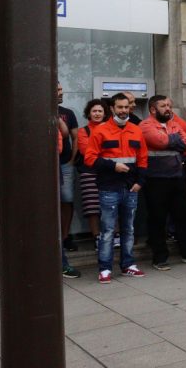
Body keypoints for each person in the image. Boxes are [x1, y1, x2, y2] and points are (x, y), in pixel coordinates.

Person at [85, 93, 148, 283]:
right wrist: (113, 166)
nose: (123, 110)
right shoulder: (100, 130)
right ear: (112, 108)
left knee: (129, 229)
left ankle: (128, 265)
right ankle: (104, 268)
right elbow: (89, 158)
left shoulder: (136, 130)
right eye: (119, 107)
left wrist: (140, 182)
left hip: (131, 188)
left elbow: (143, 159)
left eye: (126, 107)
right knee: (108, 230)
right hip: (109, 187)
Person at [140, 95, 186, 270]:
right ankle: (159, 258)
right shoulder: (145, 125)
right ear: (153, 109)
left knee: (183, 217)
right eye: (163, 106)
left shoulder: (174, 124)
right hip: (156, 179)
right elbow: (160, 141)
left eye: (169, 105)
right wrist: (173, 140)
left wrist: (172, 140)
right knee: (157, 219)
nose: (168, 108)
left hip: (176, 177)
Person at [76, 99, 110, 247]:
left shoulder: (111, 129)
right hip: (89, 172)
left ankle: (114, 236)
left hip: (109, 172)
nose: (97, 114)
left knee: (111, 205)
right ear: (89, 113)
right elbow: (86, 151)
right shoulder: (83, 131)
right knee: (92, 207)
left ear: (105, 113)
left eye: (100, 111)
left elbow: (114, 150)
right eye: (94, 111)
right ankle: (97, 237)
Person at [57, 82, 79, 252]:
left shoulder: (68, 113)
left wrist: (72, 160)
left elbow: (74, 137)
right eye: (57, 90)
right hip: (46, 166)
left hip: (65, 164)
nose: (61, 92)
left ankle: (65, 236)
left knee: (67, 199)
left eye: (61, 89)